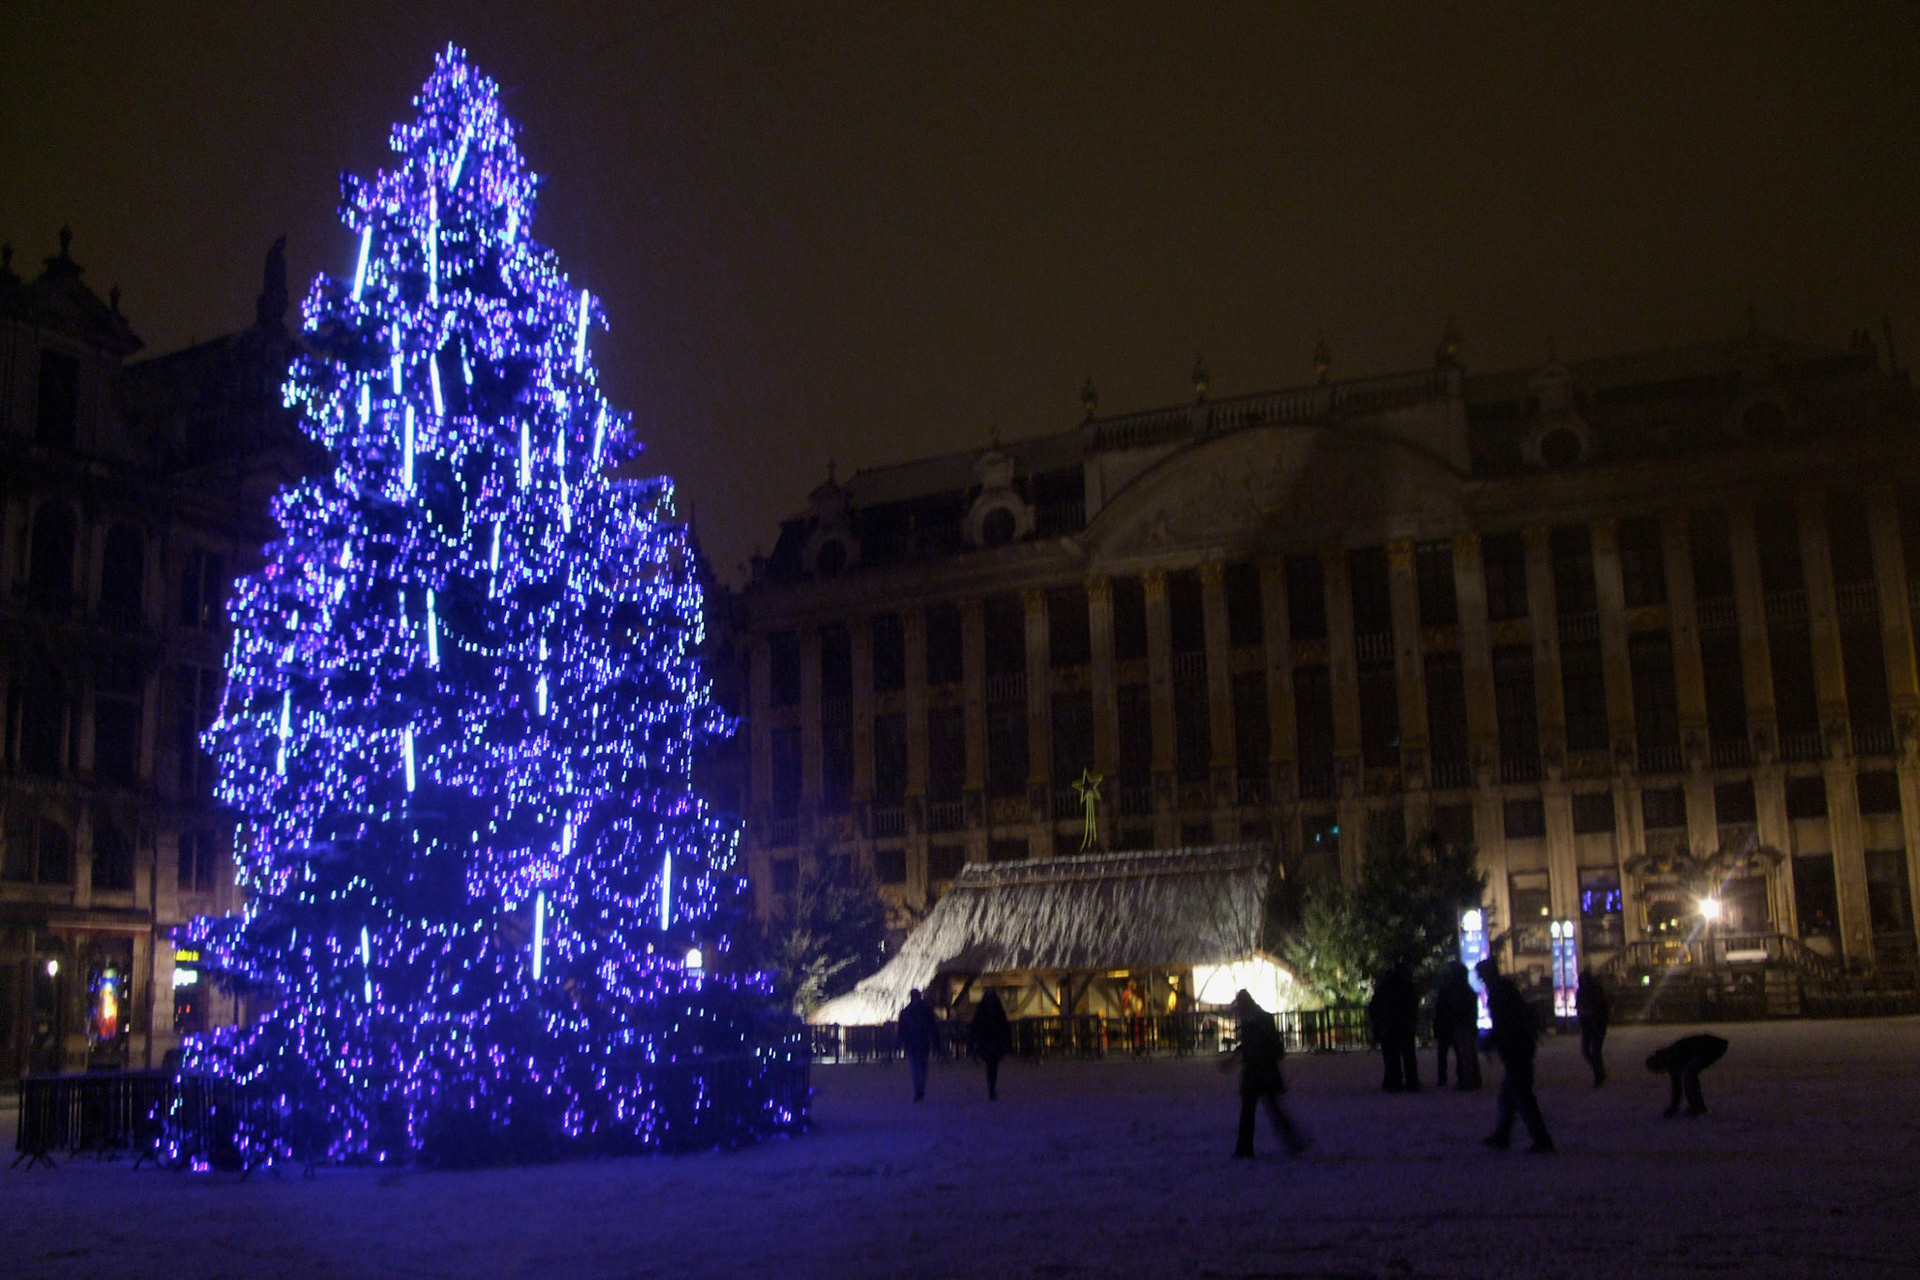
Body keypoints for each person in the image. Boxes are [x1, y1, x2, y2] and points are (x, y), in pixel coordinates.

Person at [1476, 957, 1553, 1153]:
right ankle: (1503, 1134)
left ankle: (1540, 1139)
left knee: (1521, 1096)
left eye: (1482, 976)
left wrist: (1491, 1040)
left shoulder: (1498, 993)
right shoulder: (1505, 989)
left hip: (1515, 1049)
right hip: (1520, 1047)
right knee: (1511, 1095)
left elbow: (1505, 1024)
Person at [1229, 989, 1309, 1159]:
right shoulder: (1262, 1019)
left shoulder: (1251, 1022)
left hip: (1256, 1072)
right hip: (1266, 1071)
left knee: (1249, 1112)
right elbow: (1271, 1045)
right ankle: (1294, 1142)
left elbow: (1249, 1046)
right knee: (1273, 1110)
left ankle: (1244, 1149)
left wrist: (1233, 1060)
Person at [1646, 1033, 1729, 1118]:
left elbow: (1677, 1086)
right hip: (1712, 1045)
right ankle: (1697, 1106)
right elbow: (1678, 1085)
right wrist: (1674, 1106)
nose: (1662, 1073)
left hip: (1711, 1047)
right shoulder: (1668, 1055)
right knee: (1689, 1075)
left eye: (1658, 1071)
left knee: (1689, 1074)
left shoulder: (1670, 1058)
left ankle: (1698, 1107)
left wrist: (1673, 1107)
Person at [1367, 963, 1421, 1092]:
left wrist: (1380, 1023)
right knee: (1408, 1055)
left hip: (1390, 1026)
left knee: (1391, 1056)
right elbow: (1413, 1005)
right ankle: (1411, 1081)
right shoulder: (1407, 987)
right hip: (1404, 1025)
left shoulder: (1385, 988)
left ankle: (1393, 1081)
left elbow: (1374, 1007)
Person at [1432, 961, 1482, 1091]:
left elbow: (1442, 1009)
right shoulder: (1466, 990)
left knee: (1457, 1053)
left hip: (1454, 1024)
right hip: (1460, 1024)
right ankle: (1467, 1078)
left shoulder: (1450, 991)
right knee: (1464, 1054)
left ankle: (1459, 1079)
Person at [898, 988, 940, 1102]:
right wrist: (935, 1042)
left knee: (915, 1067)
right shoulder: (926, 1011)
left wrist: (901, 1041)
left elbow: (902, 1029)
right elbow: (933, 1027)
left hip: (912, 1043)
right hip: (923, 1042)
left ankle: (918, 1088)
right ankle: (920, 1087)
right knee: (922, 1067)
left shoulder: (906, 1012)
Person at [971, 989, 1013, 1100]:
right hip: (994, 1042)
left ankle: (991, 1087)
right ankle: (992, 1088)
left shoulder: (981, 1011)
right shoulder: (998, 1011)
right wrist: (1007, 1042)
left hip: (986, 1041)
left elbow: (975, 1026)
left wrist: (973, 1042)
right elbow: (1004, 1027)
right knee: (993, 1066)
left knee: (990, 1066)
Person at [1575, 969, 1610, 1087]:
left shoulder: (1588, 991)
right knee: (1592, 1051)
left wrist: (1584, 1013)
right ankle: (1599, 1072)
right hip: (1593, 1024)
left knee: (1591, 1051)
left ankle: (1599, 1074)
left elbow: (1597, 1007)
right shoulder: (1593, 990)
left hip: (1594, 1024)